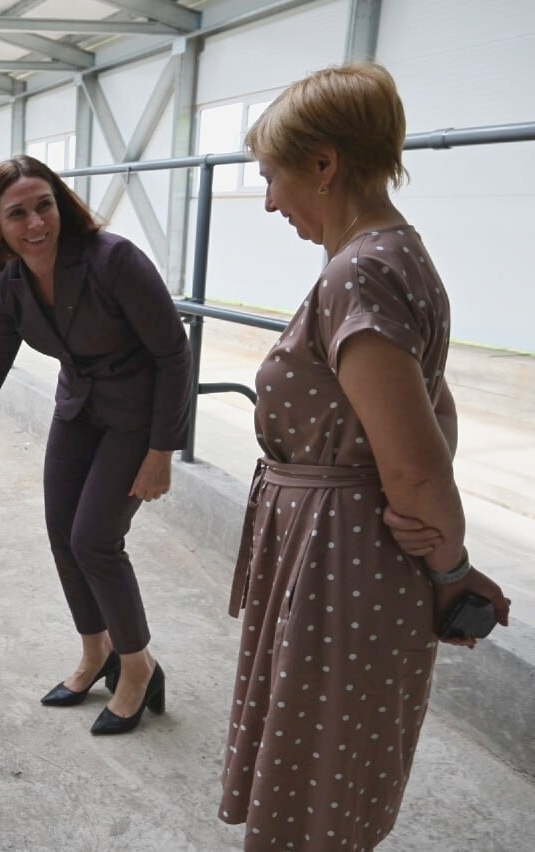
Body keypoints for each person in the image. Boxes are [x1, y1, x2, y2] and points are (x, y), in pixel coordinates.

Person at [220, 61, 511, 850]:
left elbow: (416, 466)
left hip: (339, 567)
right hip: (339, 554)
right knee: (334, 775)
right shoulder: (399, 257)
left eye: (272, 179)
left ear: (325, 165)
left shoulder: (360, 274)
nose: (272, 201)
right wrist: (443, 557)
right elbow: (437, 409)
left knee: (317, 791)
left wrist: (451, 571)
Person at [0, 155, 192, 736]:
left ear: (60, 204)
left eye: (43, 206)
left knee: (94, 539)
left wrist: (162, 450)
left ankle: (138, 667)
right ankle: (96, 653)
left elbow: (175, 353)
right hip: (78, 411)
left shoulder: (113, 260)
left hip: (134, 418)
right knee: (61, 533)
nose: (35, 223)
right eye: (16, 213)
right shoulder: (16, 282)